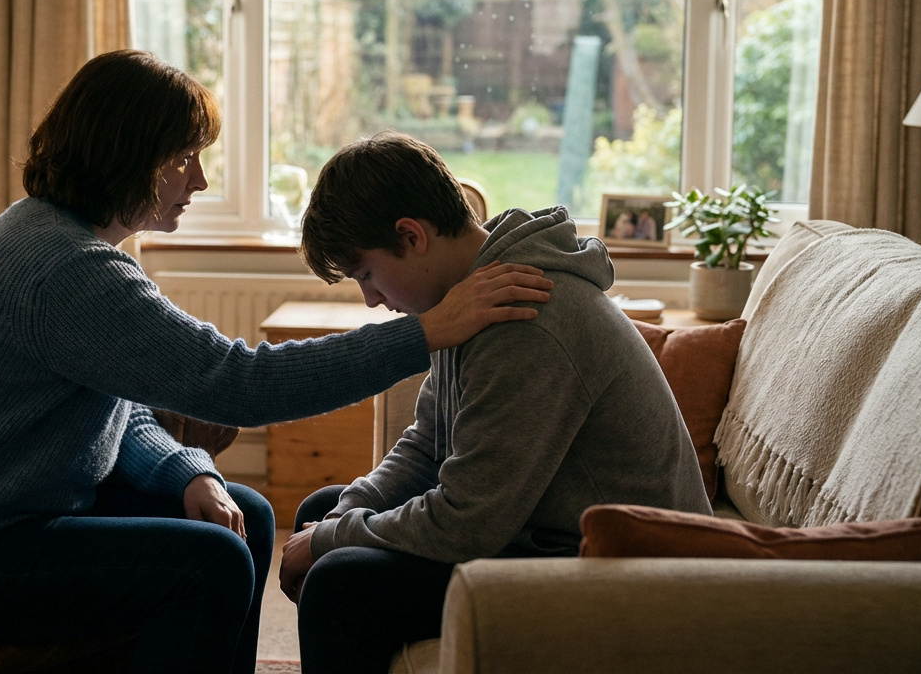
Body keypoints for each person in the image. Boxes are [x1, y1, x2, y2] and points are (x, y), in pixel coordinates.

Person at [0, 51, 554, 674]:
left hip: (1, 515)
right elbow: (241, 384)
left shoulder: (52, 237)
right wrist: (425, 333)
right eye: (184, 158)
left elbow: (115, 403)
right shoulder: (64, 269)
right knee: (208, 564)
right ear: (131, 157)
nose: (201, 180)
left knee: (240, 511)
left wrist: (190, 471)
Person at [280, 131, 712, 674]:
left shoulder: (524, 316)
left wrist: (332, 540)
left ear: (411, 236)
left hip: (618, 569)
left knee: (338, 584)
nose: (371, 298)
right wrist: (340, 518)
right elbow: (425, 446)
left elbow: (467, 520)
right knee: (320, 512)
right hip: (539, 533)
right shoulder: (469, 297)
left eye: (366, 274)